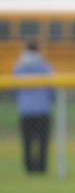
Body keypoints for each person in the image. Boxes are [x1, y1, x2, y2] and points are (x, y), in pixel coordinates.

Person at [13, 41, 55, 174]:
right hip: (43, 110)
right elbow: (52, 90)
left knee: (27, 143)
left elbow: (15, 90)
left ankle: (29, 168)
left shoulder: (19, 67)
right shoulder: (45, 67)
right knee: (42, 142)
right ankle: (41, 168)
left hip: (25, 111)